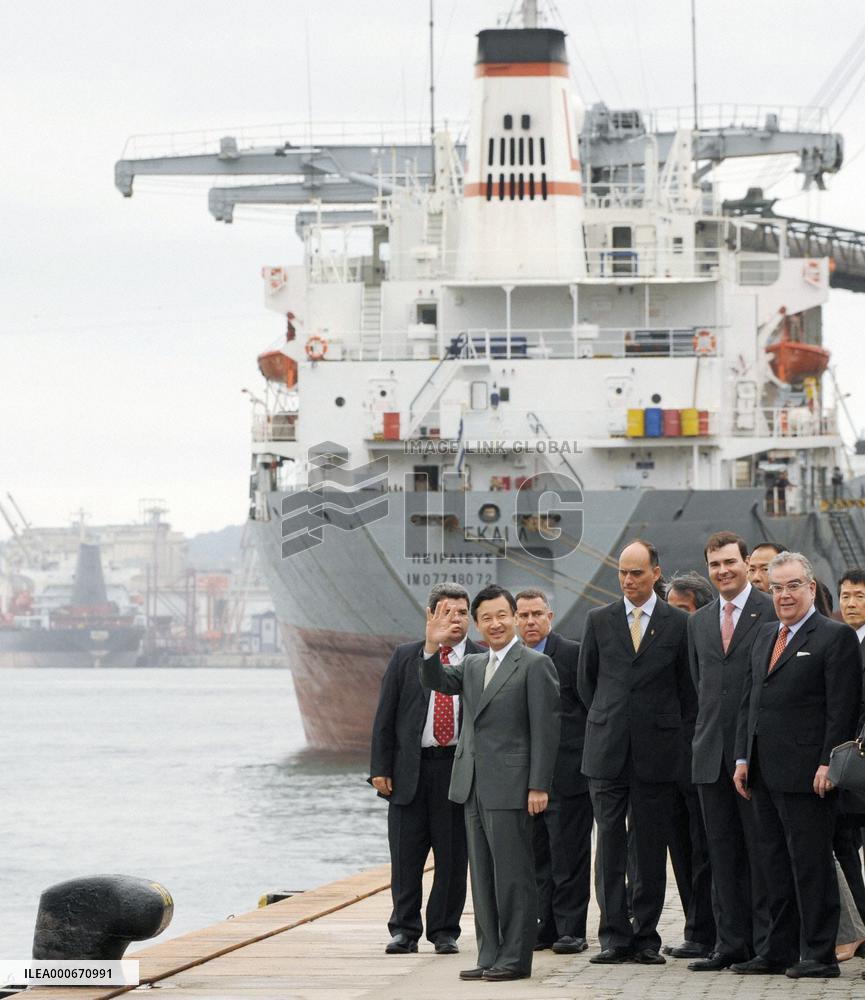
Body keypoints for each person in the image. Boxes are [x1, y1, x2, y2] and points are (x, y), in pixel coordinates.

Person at [733, 551, 862, 978]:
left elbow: (842, 709)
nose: (784, 595)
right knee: (772, 864)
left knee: (811, 865)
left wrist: (828, 761)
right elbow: (749, 701)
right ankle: (778, 951)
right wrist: (742, 757)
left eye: (792, 586)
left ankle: (820, 955)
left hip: (810, 776)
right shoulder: (765, 635)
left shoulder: (833, 637)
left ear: (811, 587)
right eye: (777, 588)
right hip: (764, 771)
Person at [422, 584, 560, 982]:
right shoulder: (473, 666)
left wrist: (539, 785)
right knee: (481, 876)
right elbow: (434, 680)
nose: (495, 623)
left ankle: (515, 958)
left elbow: (545, 730)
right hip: (472, 784)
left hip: (513, 785)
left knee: (513, 875)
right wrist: (431, 646)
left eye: (502, 615)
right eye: (486, 618)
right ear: (477, 625)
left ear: (515, 617)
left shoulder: (534, 664)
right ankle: (489, 953)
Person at [578, 539, 697, 966]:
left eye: (637, 573)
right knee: (609, 846)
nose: (629, 580)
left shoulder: (678, 624)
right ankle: (614, 935)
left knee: (649, 849)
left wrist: (661, 729)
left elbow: (688, 691)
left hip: (657, 754)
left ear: (656, 573)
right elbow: (587, 684)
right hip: (607, 750)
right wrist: (613, 720)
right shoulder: (598, 620)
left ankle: (645, 936)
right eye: (623, 573)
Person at [369, 583, 479, 955]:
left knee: (452, 857)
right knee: (406, 855)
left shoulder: (479, 659)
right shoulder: (405, 657)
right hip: (409, 771)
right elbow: (386, 715)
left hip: (456, 771)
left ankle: (445, 930)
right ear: (430, 616)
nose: (456, 619)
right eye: (447, 612)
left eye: (462, 612)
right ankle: (404, 929)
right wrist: (379, 768)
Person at [687, 531, 776, 971]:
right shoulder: (699, 621)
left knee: (759, 854)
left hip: (754, 756)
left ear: (746, 564)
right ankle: (730, 944)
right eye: (715, 564)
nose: (723, 571)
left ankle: (766, 945)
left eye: (729, 562)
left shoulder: (768, 613)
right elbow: (698, 685)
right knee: (720, 855)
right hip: (709, 755)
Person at [514, 588, 591, 956]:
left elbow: (590, 708)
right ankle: (544, 927)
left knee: (569, 856)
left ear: (550, 616)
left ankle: (572, 929)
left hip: (568, 776)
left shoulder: (572, 654)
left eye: (537, 614)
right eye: (523, 615)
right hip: (527, 779)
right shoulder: (512, 659)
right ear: (515, 619)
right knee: (536, 858)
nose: (530, 622)